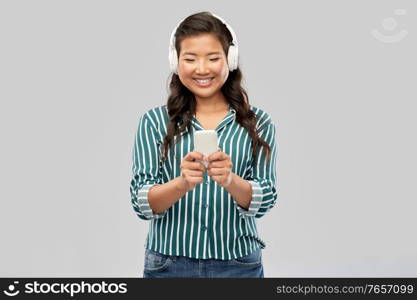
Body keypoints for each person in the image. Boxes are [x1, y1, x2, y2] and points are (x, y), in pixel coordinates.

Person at [130, 11, 278, 278]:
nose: (202, 69)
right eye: (190, 59)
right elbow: (142, 203)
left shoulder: (258, 123)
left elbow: (266, 197)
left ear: (230, 60)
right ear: (176, 62)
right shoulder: (153, 122)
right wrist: (182, 183)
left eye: (213, 58)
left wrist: (231, 181)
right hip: (168, 265)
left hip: (238, 265)